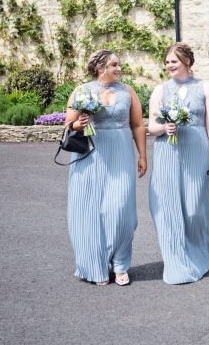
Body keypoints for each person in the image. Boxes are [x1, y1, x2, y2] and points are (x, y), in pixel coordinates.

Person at [65, 49, 148, 286]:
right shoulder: (81, 91)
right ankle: (95, 265)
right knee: (89, 211)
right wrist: (79, 124)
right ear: (100, 67)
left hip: (120, 155)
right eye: (114, 65)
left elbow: (138, 125)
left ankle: (120, 263)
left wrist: (143, 156)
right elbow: (68, 124)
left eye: (119, 64)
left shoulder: (127, 91)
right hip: (90, 157)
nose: (119, 69)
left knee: (122, 210)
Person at [148, 42, 209, 284]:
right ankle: (176, 261)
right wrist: (163, 127)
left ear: (187, 61)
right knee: (169, 208)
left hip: (197, 151)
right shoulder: (159, 90)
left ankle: (200, 253)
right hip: (168, 153)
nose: (170, 65)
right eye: (168, 62)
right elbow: (150, 127)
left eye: (174, 61)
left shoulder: (205, 88)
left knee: (195, 208)